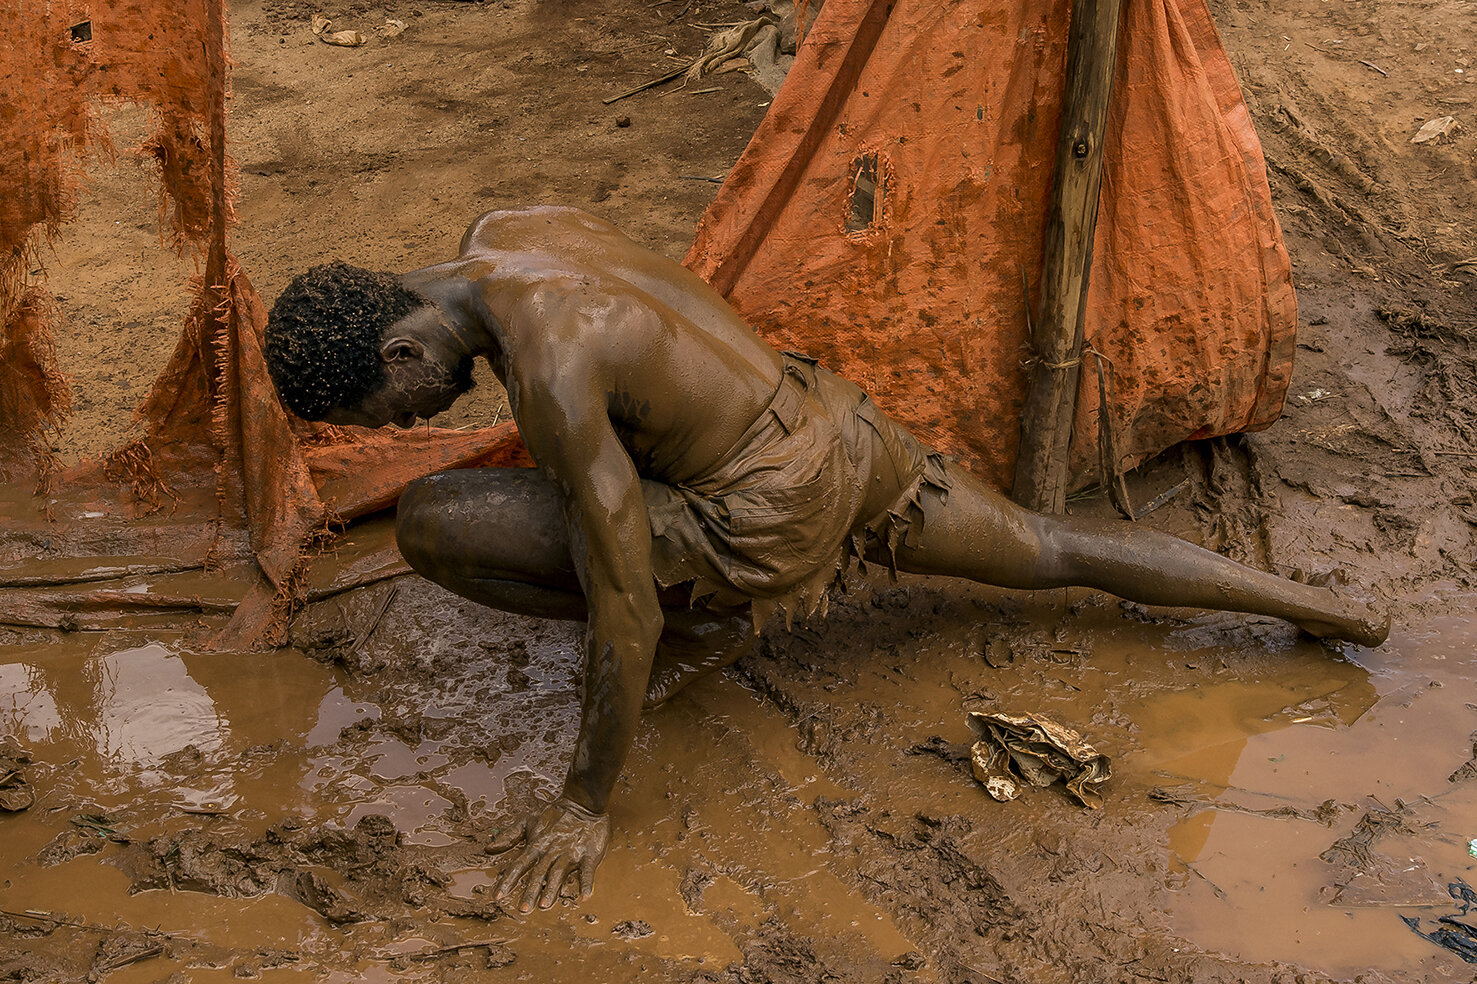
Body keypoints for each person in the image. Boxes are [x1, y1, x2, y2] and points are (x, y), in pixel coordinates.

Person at [264, 205, 1388, 914]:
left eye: (397, 406)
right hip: (835, 432)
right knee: (1047, 549)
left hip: (767, 507)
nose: (415, 421)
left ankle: (724, 610)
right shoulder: (512, 229)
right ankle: (1327, 612)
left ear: (401, 344)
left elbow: (617, 605)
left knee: (435, 521)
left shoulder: (555, 375)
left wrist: (582, 803)